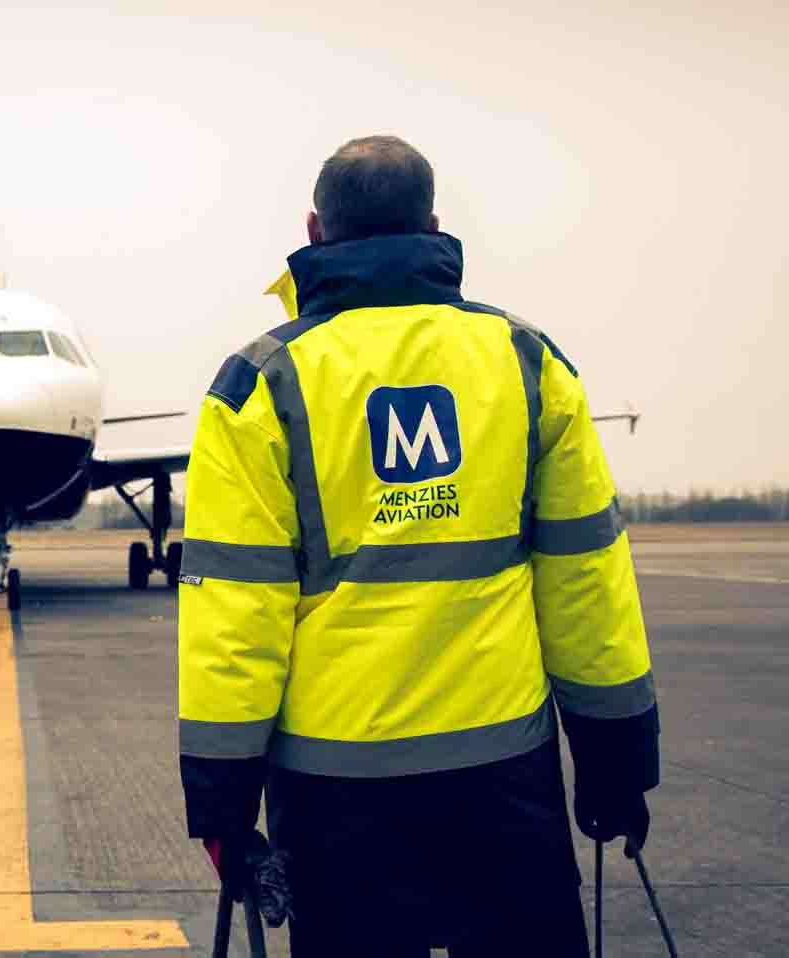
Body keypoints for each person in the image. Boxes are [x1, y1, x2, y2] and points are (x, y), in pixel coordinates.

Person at [177, 135, 659, 957]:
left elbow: (236, 609)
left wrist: (222, 802)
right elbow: (586, 581)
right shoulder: (527, 362)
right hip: (505, 779)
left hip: (338, 794)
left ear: (314, 229)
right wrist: (615, 758)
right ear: (433, 225)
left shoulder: (259, 383)